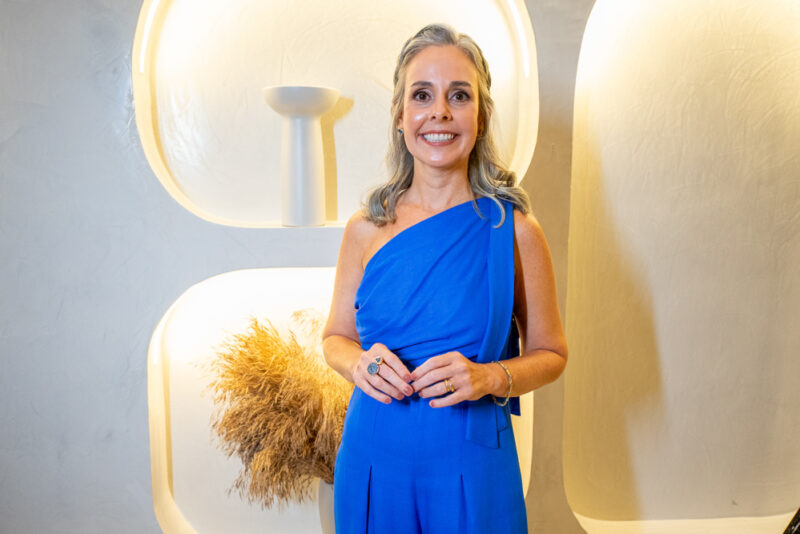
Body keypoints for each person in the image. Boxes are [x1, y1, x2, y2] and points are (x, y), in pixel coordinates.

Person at [322, 23, 567, 534]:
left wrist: (490, 377)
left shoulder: (515, 231)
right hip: (372, 458)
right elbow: (335, 338)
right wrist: (360, 364)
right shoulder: (364, 229)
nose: (439, 112)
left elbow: (552, 353)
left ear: (481, 116)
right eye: (421, 95)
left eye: (459, 95)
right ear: (400, 115)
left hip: (473, 464)